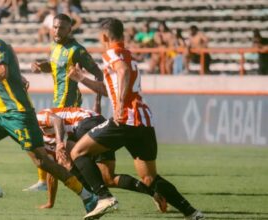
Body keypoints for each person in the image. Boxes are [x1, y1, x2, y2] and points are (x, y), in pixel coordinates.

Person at [67, 18, 205, 220]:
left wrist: (121, 103)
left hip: (126, 119)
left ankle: (103, 197)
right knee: (149, 178)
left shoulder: (112, 53)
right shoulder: (128, 54)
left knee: (78, 151)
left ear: (104, 36)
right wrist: (82, 79)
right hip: (143, 121)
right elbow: (110, 90)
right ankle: (192, 213)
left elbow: (122, 72)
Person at [0, 18, 97, 212]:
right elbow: (9, 61)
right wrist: (18, 74)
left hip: (19, 114)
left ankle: (87, 196)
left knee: (42, 161)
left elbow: (2, 71)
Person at [36, 107, 167, 213]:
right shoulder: (42, 143)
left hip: (85, 123)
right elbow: (53, 171)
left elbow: (57, 120)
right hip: (99, 123)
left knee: (74, 158)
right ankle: (154, 193)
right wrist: (50, 202)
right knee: (107, 178)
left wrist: (59, 143)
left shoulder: (37, 118)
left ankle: (101, 198)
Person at [28, 13, 103, 192]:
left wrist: (97, 102)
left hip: (70, 107)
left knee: (54, 145)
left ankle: (91, 184)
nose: (57, 30)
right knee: (52, 146)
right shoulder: (54, 46)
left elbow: (98, 73)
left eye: (61, 27)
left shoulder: (77, 50)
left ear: (70, 29)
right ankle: (48, 183)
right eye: (55, 27)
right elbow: (54, 66)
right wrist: (40, 66)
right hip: (56, 102)